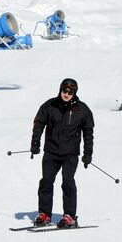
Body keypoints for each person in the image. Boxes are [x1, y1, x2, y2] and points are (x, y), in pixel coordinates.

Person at [30, 78, 95, 228]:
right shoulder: (50, 105)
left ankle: (70, 216)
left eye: (70, 92)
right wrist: (35, 142)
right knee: (46, 181)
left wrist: (88, 153)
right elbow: (39, 123)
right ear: (60, 90)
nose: (66, 94)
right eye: (64, 91)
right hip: (51, 151)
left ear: (74, 93)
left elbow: (88, 132)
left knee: (67, 182)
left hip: (70, 154)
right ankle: (45, 214)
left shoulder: (82, 109)